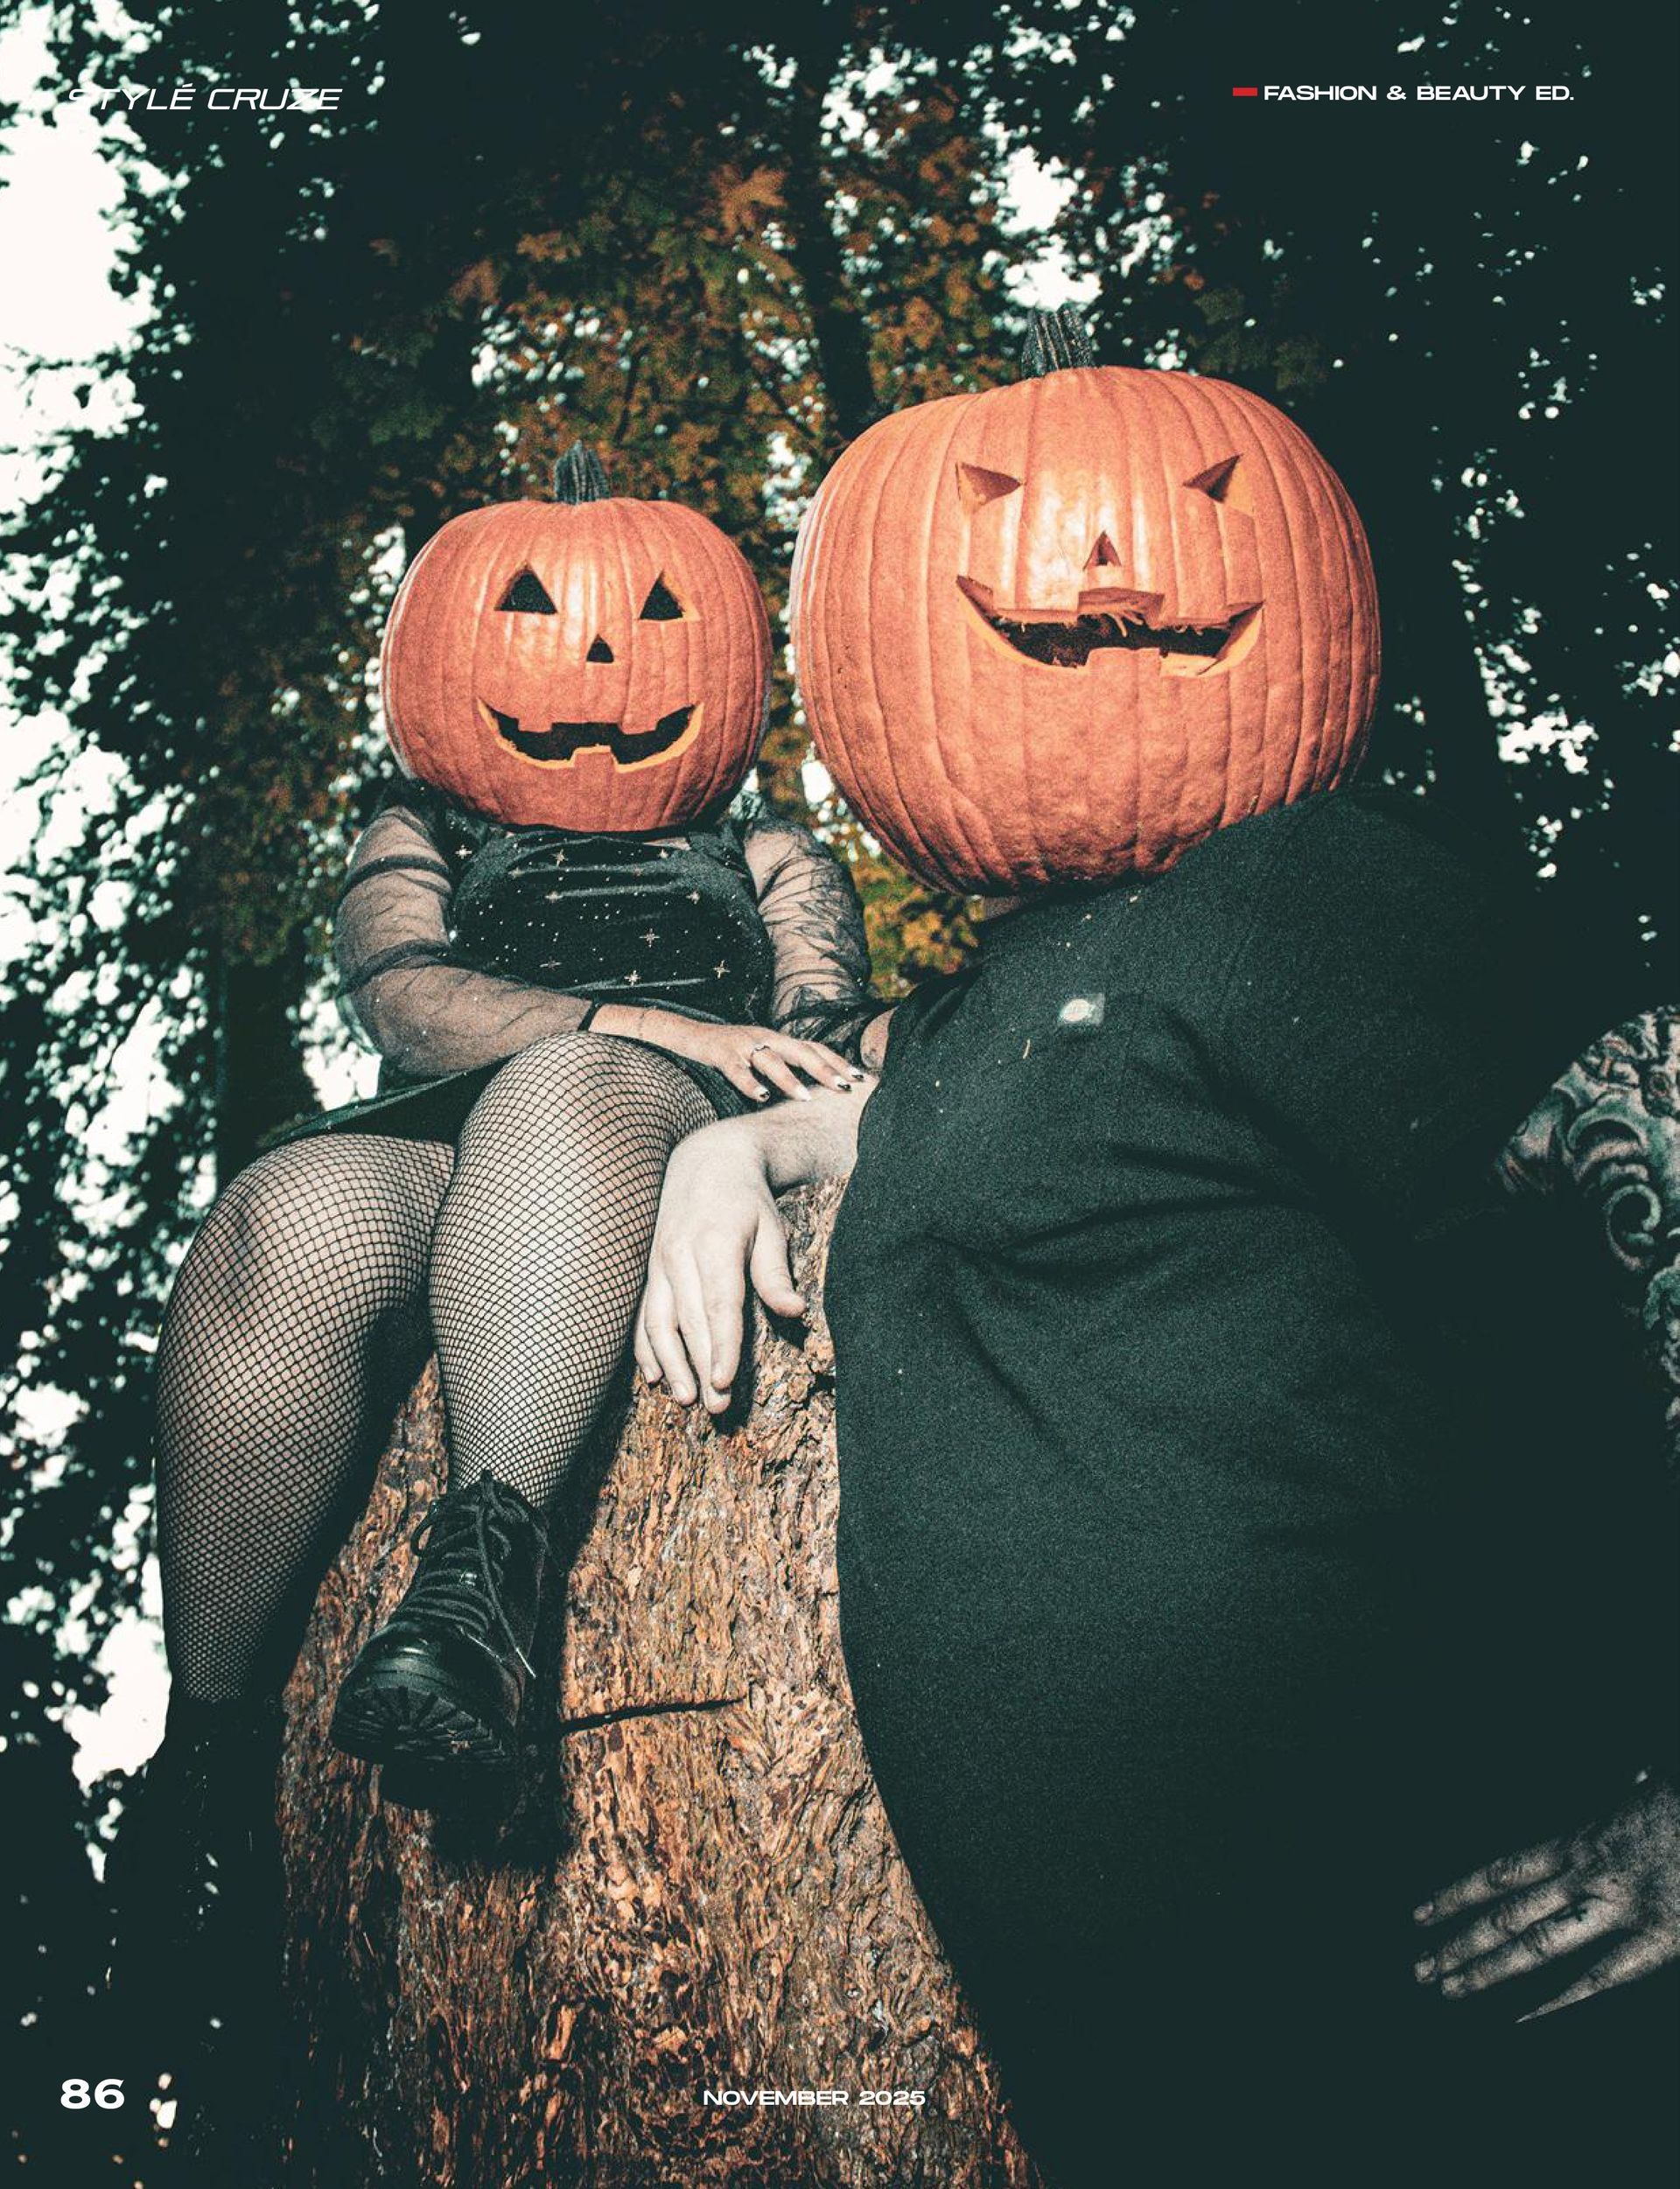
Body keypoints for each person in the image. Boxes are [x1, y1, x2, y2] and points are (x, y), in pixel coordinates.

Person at [636, 308, 1679, 2181]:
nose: (1106, 567)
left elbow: (1646, 1140)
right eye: (999, 512)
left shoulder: (1315, 892)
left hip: (1476, 2034)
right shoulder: (989, 1019)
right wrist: (745, 1143)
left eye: (1197, 503)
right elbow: (1009, 1109)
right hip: (1158, 2089)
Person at [105, 766, 880, 2070]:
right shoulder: (429, 823)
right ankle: (205, 1760)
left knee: (563, 1087)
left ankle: (476, 1600)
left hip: (641, 1114)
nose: (593, 670)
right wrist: (644, 1013)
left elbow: (824, 1021)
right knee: (291, 1205)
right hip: (447, 1122)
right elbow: (404, 995)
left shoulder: (763, 846)